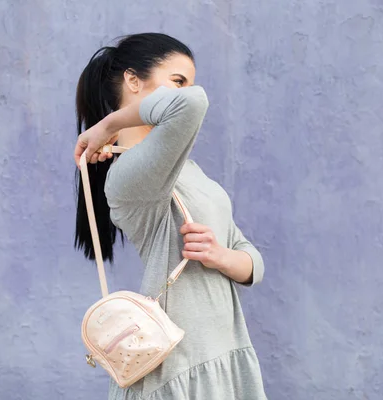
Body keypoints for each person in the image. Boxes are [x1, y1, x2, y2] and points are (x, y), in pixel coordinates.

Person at [73, 33, 266, 400]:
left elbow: (252, 261)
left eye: (186, 84)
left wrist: (221, 256)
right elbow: (192, 104)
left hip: (223, 351)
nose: (184, 91)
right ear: (133, 81)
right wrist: (109, 124)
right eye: (177, 81)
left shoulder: (188, 169)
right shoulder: (130, 174)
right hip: (179, 367)